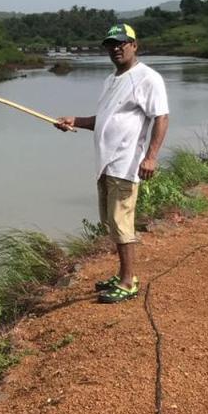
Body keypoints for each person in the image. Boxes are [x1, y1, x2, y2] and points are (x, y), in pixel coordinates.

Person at [54, 24, 170, 303]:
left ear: (134, 45)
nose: (116, 48)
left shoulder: (147, 78)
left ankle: (128, 282)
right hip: (105, 164)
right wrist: (75, 122)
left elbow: (161, 117)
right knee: (111, 222)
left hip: (125, 163)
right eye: (111, 44)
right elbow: (104, 120)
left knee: (121, 222)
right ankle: (123, 274)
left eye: (121, 43)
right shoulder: (111, 80)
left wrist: (151, 156)